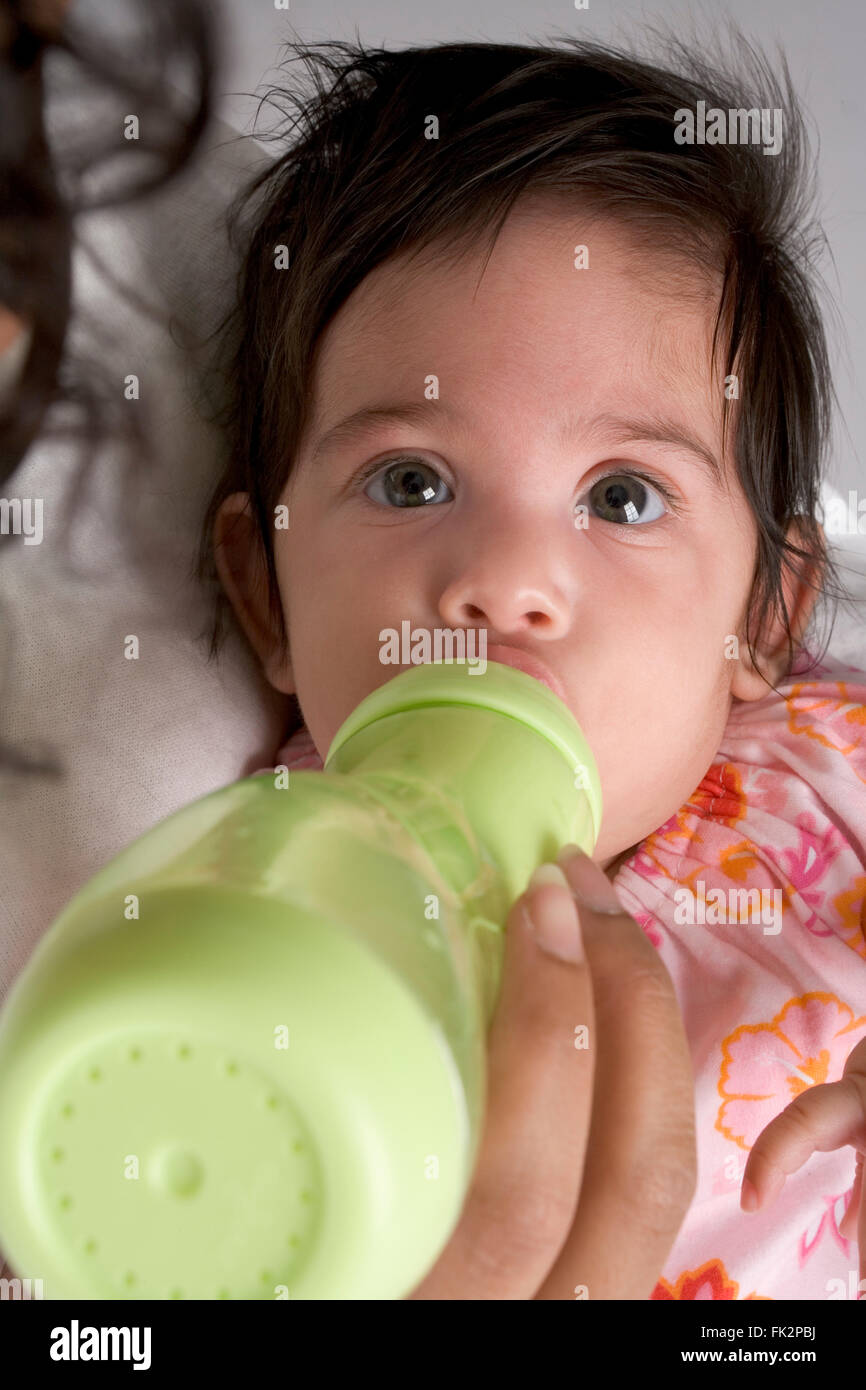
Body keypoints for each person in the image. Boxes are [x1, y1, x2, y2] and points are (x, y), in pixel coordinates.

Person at [205, 30, 866, 1298]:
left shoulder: (831, 774)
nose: (504, 579)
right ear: (264, 590)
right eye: (409, 480)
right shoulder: (251, 887)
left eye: (620, 497)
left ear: (763, 617)